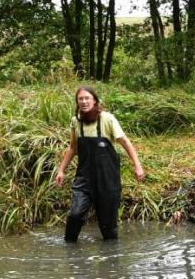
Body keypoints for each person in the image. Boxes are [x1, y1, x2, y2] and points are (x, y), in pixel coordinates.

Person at [55, 86, 145, 242]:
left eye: (87, 98)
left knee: (108, 228)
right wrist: (61, 170)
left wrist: (137, 165)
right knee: (75, 214)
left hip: (107, 180)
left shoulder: (107, 119)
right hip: (84, 179)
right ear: (77, 102)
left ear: (94, 100)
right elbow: (72, 147)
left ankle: (110, 261)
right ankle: (70, 253)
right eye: (80, 99)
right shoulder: (75, 121)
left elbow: (125, 142)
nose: (84, 101)